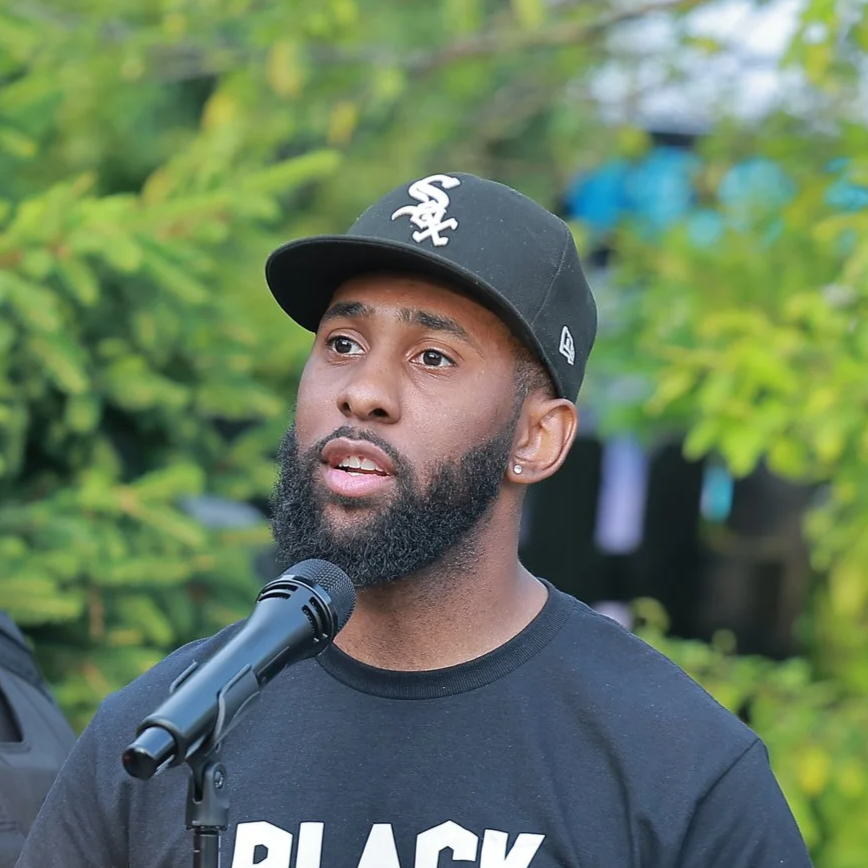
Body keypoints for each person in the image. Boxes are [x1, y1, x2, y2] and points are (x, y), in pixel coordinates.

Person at [17, 172, 812, 868]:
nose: (362, 391)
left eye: (433, 357)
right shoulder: (166, 732)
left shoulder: (674, 768)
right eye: (342, 341)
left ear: (537, 438)